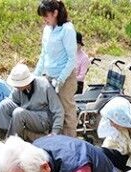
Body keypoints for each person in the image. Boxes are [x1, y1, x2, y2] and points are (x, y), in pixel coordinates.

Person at [0, 63, 64, 139]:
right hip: (27, 112)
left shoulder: (44, 85)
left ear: (26, 83)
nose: (15, 86)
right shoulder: (18, 90)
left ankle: (11, 141)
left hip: (43, 120)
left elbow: (58, 110)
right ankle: (4, 134)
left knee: (18, 112)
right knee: (4, 104)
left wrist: (55, 132)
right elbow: (8, 104)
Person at [34, 0, 78, 137]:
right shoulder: (47, 29)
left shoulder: (67, 29)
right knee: (53, 110)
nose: (44, 19)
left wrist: (60, 80)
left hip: (65, 77)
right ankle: (56, 141)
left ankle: (71, 142)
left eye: (46, 15)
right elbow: (43, 54)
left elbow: (72, 59)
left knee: (66, 110)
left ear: (55, 13)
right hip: (49, 76)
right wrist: (36, 75)